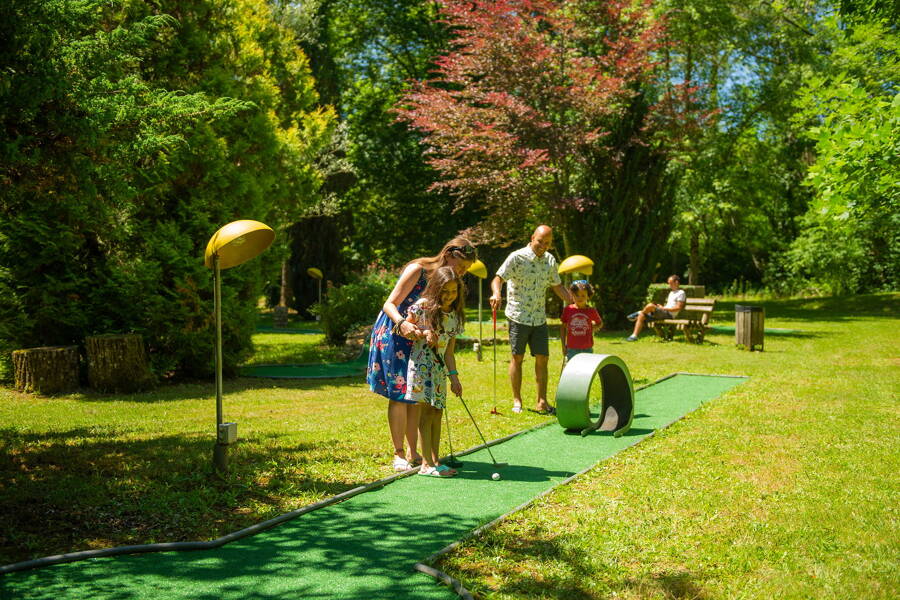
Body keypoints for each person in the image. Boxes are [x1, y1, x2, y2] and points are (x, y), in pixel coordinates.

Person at [366, 237, 477, 472]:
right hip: (396, 331)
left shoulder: (447, 281)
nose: (461, 271)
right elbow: (390, 303)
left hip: (421, 339)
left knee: (415, 395)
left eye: (465, 270)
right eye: (461, 265)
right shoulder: (419, 269)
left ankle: (414, 452)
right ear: (449, 254)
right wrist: (402, 324)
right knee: (398, 393)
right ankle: (398, 454)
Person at [489, 225, 574, 415]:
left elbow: (557, 286)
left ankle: (542, 401)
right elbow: (498, 278)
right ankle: (517, 400)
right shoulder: (516, 257)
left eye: (548, 243)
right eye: (540, 241)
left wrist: (572, 300)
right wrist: (496, 293)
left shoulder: (550, 260)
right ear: (532, 237)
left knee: (543, 359)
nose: (543, 246)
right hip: (518, 316)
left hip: (539, 318)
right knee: (517, 358)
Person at [404, 266, 465, 477]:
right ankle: (426, 464)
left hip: (439, 370)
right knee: (427, 412)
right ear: (436, 288)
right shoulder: (422, 307)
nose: (449, 296)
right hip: (422, 367)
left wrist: (454, 377)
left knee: (437, 413)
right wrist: (424, 331)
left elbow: (449, 352)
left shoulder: (454, 316)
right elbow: (403, 329)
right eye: (445, 291)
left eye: (453, 291)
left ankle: (436, 461)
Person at [626, 274, 686, 341]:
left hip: (669, 315)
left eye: (671, 283)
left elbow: (678, 307)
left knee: (650, 306)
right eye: (669, 283)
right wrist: (662, 307)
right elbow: (669, 306)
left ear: (676, 282)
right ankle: (634, 336)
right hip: (664, 312)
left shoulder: (681, 293)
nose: (669, 285)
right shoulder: (671, 293)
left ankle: (639, 312)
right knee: (641, 315)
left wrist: (664, 308)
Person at [560, 280, 603, 362]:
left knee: (586, 371)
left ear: (588, 296)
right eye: (577, 295)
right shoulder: (568, 310)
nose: (580, 298)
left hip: (587, 349)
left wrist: (594, 326)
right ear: (572, 295)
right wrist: (563, 345)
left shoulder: (591, 311)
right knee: (572, 370)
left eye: (583, 295)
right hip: (572, 349)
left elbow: (600, 323)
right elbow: (563, 328)